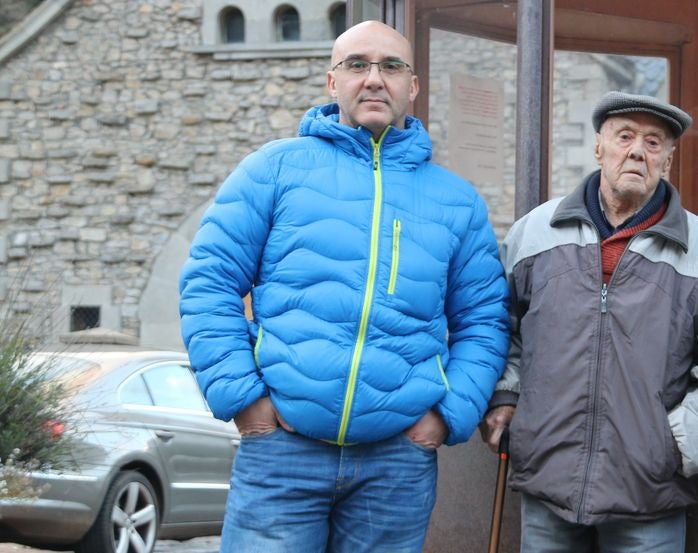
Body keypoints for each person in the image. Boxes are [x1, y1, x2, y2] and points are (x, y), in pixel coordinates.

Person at [178, 21, 509, 553]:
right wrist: (245, 399)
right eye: (357, 64)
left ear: (412, 86)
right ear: (333, 83)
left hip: (397, 464)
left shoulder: (457, 200)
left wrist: (445, 418)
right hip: (281, 454)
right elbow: (209, 282)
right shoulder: (274, 169)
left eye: (390, 66)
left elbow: (485, 320)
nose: (374, 79)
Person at [478, 91, 698, 553]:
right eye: (625, 136)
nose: (638, 150)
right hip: (548, 481)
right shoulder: (535, 232)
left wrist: (676, 445)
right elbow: (505, 332)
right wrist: (506, 395)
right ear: (599, 147)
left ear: (668, 160)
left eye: (654, 142)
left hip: (649, 494)